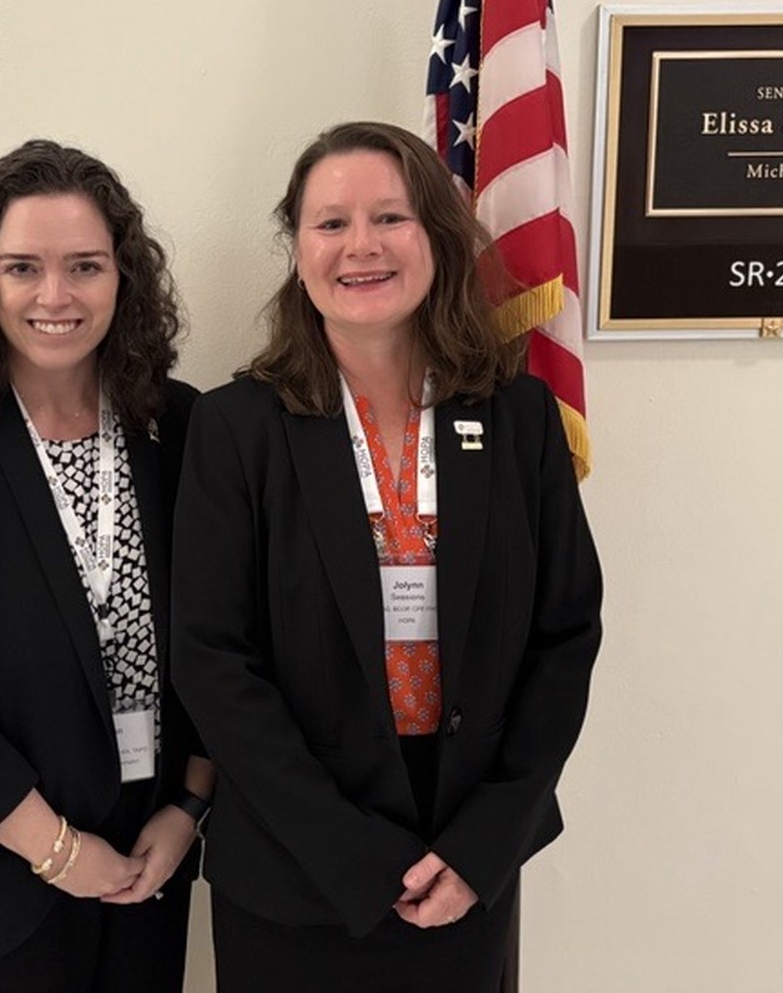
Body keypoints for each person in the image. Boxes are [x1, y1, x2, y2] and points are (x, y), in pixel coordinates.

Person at [171, 121, 603, 992]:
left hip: (464, 859)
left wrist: (484, 845)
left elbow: (564, 636)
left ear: (436, 236)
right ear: (298, 251)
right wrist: (350, 854)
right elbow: (212, 659)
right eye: (331, 223)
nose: (360, 245)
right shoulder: (237, 428)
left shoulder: (518, 418)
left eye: (390, 218)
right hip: (295, 869)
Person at [0, 140, 214, 993]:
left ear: (124, 278)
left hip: (149, 865)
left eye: (85, 266)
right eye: (23, 268)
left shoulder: (179, 427)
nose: (55, 296)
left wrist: (188, 809)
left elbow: (223, 636)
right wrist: (56, 851)